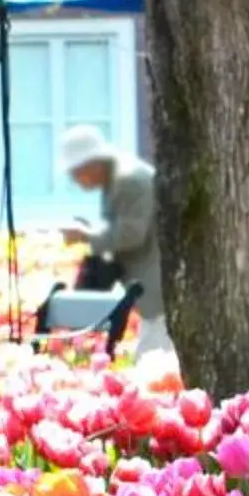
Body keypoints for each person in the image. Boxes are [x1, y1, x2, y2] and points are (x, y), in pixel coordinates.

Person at [57, 125, 165, 360]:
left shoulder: (129, 180)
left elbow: (132, 234)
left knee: (154, 365)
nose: (76, 181)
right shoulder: (116, 180)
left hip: (157, 291)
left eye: (76, 173)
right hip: (147, 290)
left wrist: (86, 235)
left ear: (92, 164)